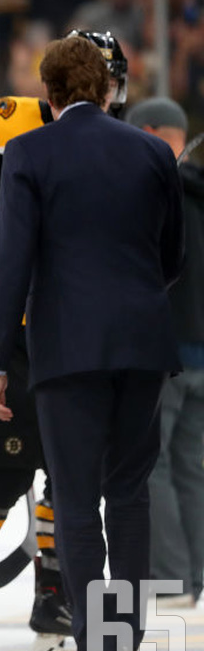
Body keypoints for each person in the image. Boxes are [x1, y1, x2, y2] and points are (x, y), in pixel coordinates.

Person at [0, 34, 183, 651]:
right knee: (128, 494)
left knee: (73, 498)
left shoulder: (28, 150)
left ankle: (93, 645)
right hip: (144, 341)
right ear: (105, 88)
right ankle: (124, 642)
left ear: (50, 92)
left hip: (67, 346)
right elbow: (173, 252)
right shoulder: (153, 149)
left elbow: (10, 263)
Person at [0, 29, 131, 651]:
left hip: (77, 332)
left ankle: (56, 593)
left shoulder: (130, 152)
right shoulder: (8, 124)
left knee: (76, 476)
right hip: (3, 323)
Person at [124, 97, 203, 609]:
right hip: (201, 352)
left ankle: (172, 579)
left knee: (152, 462)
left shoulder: (152, 190)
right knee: (192, 463)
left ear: (151, 133)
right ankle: (194, 574)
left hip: (164, 348)